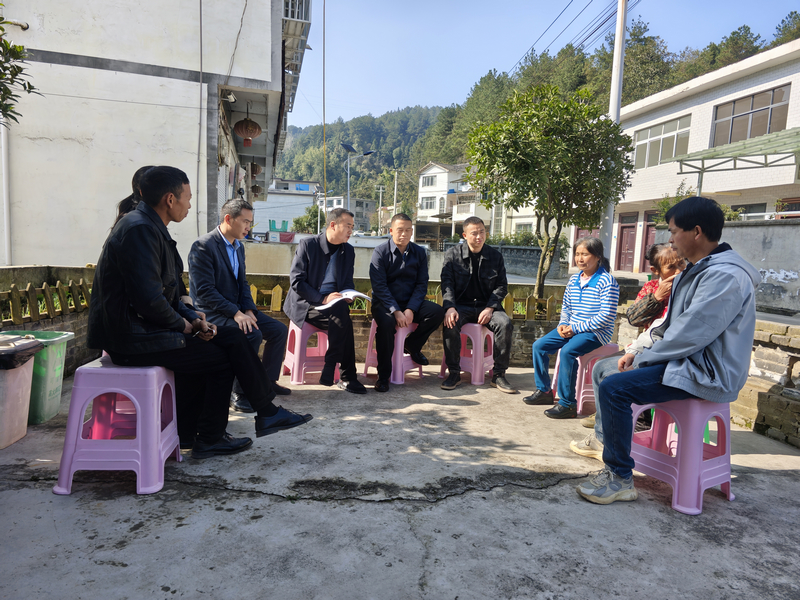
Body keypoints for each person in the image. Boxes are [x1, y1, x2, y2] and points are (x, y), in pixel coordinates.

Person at [88, 166, 311, 460]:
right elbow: (149, 301)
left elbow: (168, 294)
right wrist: (185, 326)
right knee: (220, 357)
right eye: (188, 198)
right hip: (130, 339)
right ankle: (212, 435)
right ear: (170, 199)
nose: (190, 205)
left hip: (145, 330)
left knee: (232, 338)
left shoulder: (150, 228)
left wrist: (193, 318)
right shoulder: (139, 230)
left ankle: (253, 416)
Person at [576, 197, 759, 505]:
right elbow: (667, 325)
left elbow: (689, 335)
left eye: (674, 232)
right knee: (604, 368)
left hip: (706, 371)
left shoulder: (725, 276)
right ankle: (607, 443)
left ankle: (619, 476)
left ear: (696, 232)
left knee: (614, 388)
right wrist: (636, 350)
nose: (671, 240)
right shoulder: (696, 270)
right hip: (687, 361)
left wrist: (643, 359)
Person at [569, 244, 685, 459]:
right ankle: (604, 419)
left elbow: (665, 330)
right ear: (656, 270)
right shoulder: (652, 287)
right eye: (671, 267)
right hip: (644, 346)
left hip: (660, 352)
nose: (678, 271)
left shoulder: (686, 289)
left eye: (682, 264)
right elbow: (633, 317)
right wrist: (656, 298)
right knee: (601, 366)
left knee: (609, 371)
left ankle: (626, 426)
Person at [188, 198, 290, 413]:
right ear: (228, 219)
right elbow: (205, 291)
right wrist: (236, 313)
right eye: (245, 221)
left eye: (250, 222)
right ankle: (239, 393)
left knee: (279, 330)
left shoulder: (238, 247)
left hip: (237, 310)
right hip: (210, 313)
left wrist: (249, 310)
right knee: (251, 333)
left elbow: (242, 283)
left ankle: (266, 381)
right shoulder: (204, 246)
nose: (248, 227)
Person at [523, 237, 619, 419]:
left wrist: (575, 328)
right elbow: (566, 307)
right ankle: (544, 391)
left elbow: (606, 316)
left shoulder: (607, 281)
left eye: (585, 254)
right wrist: (563, 324)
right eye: (577, 254)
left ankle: (567, 404)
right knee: (539, 346)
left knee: (567, 352)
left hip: (596, 332)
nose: (580, 258)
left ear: (598, 256)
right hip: (572, 328)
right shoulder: (574, 279)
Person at [283, 208, 367, 394]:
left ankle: (332, 368)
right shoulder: (308, 245)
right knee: (344, 322)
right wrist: (322, 298)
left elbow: (347, 281)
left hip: (333, 305)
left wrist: (349, 294)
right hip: (307, 304)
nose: (351, 231)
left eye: (352, 227)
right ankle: (345, 375)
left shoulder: (348, 251)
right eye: (347, 226)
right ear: (333, 225)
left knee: (341, 312)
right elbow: (297, 282)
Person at [369, 214, 445, 392]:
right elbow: (379, 286)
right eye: (400, 230)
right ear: (391, 231)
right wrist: (396, 310)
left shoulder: (419, 253)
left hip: (410, 302)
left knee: (437, 312)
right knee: (387, 324)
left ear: (412, 231)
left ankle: (412, 345)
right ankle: (383, 376)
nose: (404, 234)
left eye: (408, 230)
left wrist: (411, 308)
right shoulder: (380, 252)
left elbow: (421, 284)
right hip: (384, 303)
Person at [440, 216, 516, 393]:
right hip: (461, 305)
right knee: (450, 323)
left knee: (504, 324)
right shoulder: (453, 255)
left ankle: (499, 374)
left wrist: (490, 308)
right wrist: (450, 307)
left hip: (487, 306)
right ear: (465, 235)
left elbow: (501, 286)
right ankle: (454, 373)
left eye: (482, 232)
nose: (479, 236)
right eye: (474, 233)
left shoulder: (495, 256)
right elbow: (447, 283)